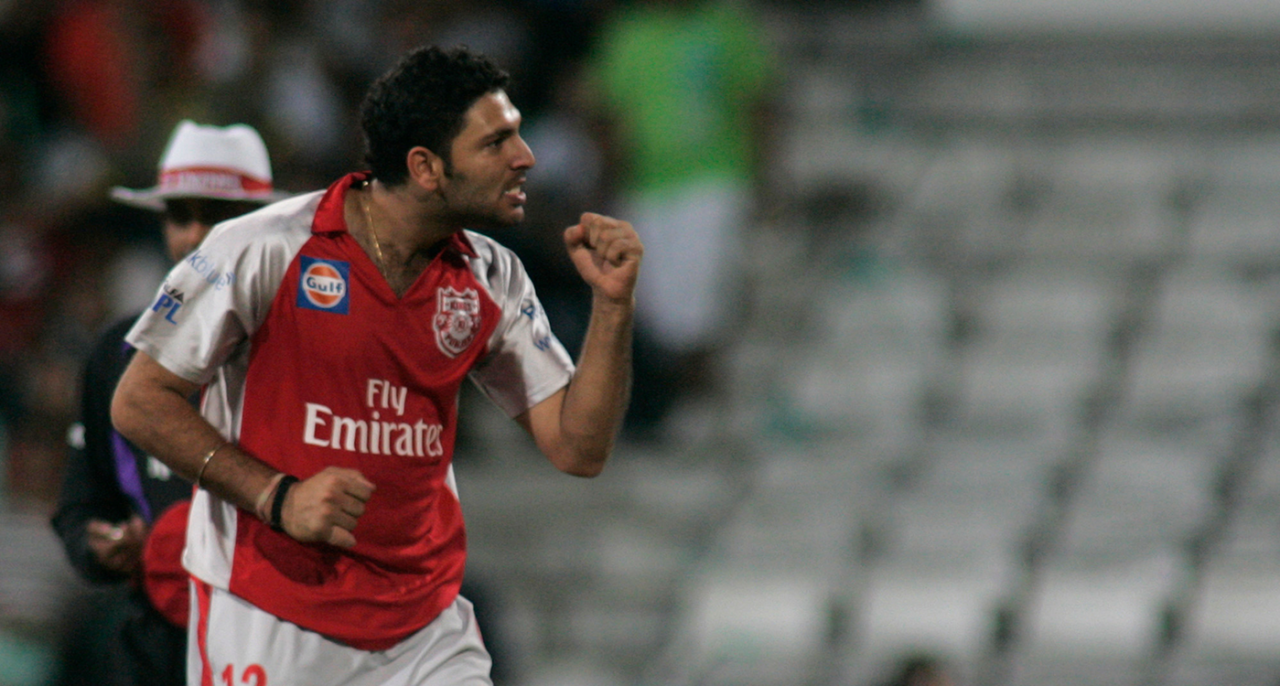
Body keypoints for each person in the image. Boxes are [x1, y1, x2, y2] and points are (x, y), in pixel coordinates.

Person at [110, 44, 641, 686]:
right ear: (426, 167)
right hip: (270, 610)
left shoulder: (491, 276)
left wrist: (612, 308)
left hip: (424, 627)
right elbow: (139, 400)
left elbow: (578, 448)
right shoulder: (264, 248)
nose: (524, 157)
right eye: (496, 143)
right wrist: (278, 498)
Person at [50, 120, 290, 686]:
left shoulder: (310, 348)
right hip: (160, 646)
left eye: (220, 216)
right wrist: (102, 545)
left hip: (284, 641)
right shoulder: (116, 354)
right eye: (181, 216)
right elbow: (79, 505)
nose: (197, 235)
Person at [585, 0, 776, 439]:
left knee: (703, 297)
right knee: (659, 306)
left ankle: (701, 405)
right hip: (648, 188)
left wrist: (766, 176)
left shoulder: (727, 27)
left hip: (717, 178)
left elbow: (758, 100)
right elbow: (609, 113)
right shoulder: (628, 35)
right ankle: (686, 404)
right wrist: (606, 182)